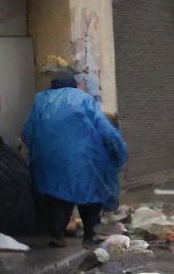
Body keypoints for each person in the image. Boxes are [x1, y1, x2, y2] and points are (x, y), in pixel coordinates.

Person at [21, 70, 127, 247]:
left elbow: (27, 133)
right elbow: (105, 129)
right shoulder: (83, 99)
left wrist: (39, 152)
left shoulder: (40, 100)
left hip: (49, 160)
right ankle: (89, 235)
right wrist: (119, 151)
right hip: (83, 158)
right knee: (91, 194)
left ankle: (57, 235)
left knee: (57, 195)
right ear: (73, 83)